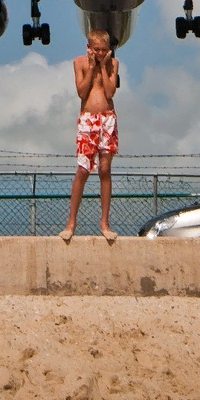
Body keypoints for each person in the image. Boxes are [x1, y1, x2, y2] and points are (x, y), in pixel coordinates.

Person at [60, 29, 120, 243]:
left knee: (105, 169)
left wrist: (103, 67)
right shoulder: (80, 63)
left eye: (104, 50)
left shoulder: (113, 64)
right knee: (83, 169)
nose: (101, 53)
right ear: (89, 48)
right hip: (88, 118)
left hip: (107, 118)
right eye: (97, 50)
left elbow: (110, 92)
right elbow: (81, 92)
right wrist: (93, 66)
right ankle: (71, 222)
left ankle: (105, 222)